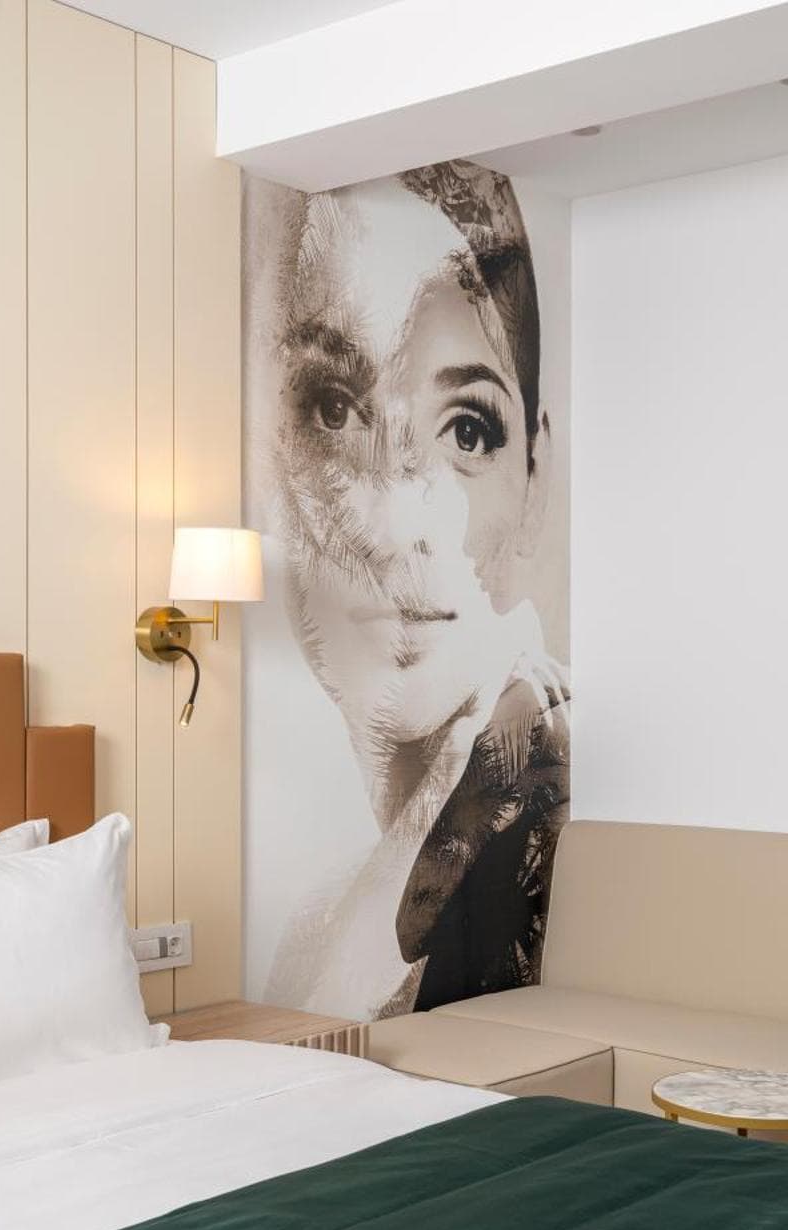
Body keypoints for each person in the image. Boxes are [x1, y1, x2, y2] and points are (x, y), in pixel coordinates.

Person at [249, 161, 569, 1019]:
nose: (397, 521)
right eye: (333, 411)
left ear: (534, 476)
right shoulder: (317, 923)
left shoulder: (533, 785)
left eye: (467, 431)